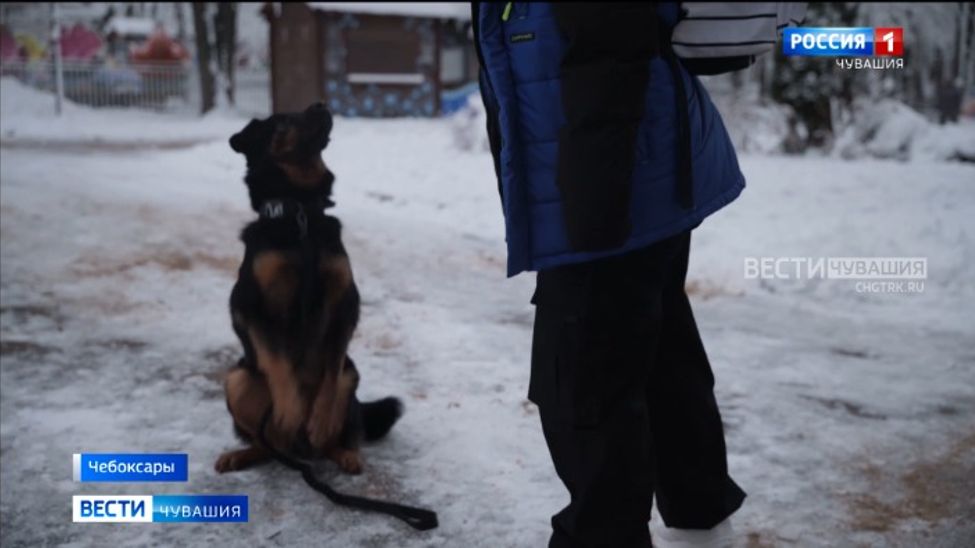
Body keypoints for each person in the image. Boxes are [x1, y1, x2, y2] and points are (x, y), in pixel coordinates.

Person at [472, 3, 746, 547]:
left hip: (610, 187)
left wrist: (591, 215)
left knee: (582, 387)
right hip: (636, 180)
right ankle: (703, 527)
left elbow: (608, 53)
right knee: (661, 361)